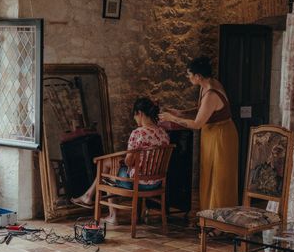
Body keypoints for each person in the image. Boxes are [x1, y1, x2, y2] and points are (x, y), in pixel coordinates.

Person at [70, 97, 170, 224]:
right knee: (110, 162)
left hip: (137, 183)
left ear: (139, 113)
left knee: (108, 167)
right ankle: (88, 196)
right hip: (156, 183)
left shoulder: (138, 133)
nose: (135, 119)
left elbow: (129, 162)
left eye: (134, 116)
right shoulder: (163, 133)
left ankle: (111, 214)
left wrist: (123, 161)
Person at [159, 56, 238, 210]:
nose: (188, 78)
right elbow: (203, 111)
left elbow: (197, 124)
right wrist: (181, 112)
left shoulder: (211, 94)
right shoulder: (206, 85)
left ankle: (219, 221)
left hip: (220, 135)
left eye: (190, 75)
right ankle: (208, 215)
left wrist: (172, 118)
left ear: (198, 76)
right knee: (209, 174)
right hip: (212, 133)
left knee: (219, 177)